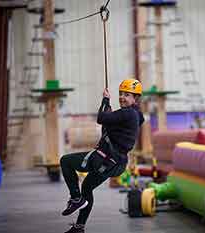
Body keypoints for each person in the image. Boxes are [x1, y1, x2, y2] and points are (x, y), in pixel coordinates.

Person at [60, 79, 144, 233]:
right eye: (120, 94)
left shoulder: (127, 113)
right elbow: (114, 124)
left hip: (103, 159)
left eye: (127, 95)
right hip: (116, 165)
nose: (122, 97)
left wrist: (105, 100)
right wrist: (111, 115)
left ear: (135, 98)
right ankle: (79, 227)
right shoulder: (136, 115)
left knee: (65, 161)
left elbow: (101, 118)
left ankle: (76, 198)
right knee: (86, 187)